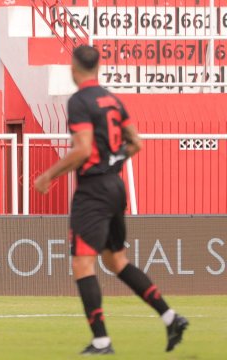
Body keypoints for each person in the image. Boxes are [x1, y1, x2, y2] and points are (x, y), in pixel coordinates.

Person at [34, 45, 188, 355]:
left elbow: (81, 149)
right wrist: (113, 161)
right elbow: (137, 142)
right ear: (98, 68)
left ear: (74, 68)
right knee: (116, 261)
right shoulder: (112, 99)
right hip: (116, 186)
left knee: (82, 262)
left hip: (93, 190)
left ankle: (102, 341)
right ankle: (171, 317)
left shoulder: (80, 101)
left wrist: (49, 175)